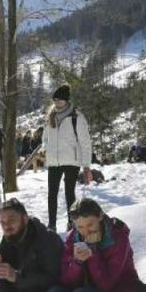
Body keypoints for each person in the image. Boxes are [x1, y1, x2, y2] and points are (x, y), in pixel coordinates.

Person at [42, 84, 94, 230]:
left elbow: (85, 142)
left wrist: (86, 166)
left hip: (72, 160)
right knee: (52, 193)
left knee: (69, 192)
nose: (57, 102)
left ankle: (72, 223)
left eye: (59, 100)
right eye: (55, 99)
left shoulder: (76, 116)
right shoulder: (50, 116)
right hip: (54, 161)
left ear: (66, 100)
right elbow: (45, 137)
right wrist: (46, 148)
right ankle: (51, 224)